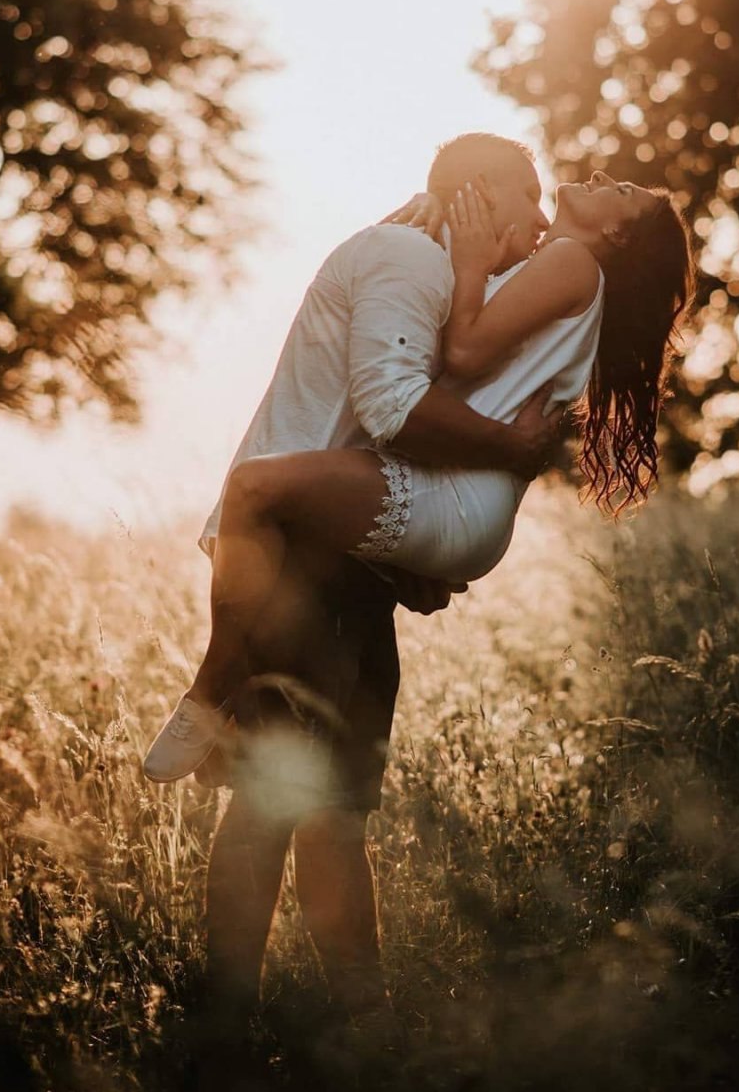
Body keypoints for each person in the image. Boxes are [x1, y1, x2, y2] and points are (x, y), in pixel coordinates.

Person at [144, 162, 694, 781]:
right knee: (270, 503)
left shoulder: (572, 263)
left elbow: (462, 350)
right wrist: (437, 213)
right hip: (460, 483)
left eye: (621, 191)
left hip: (461, 489)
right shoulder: (549, 265)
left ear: (619, 236)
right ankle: (229, 695)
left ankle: (211, 687)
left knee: (255, 488)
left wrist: (467, 264)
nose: (600, 174)